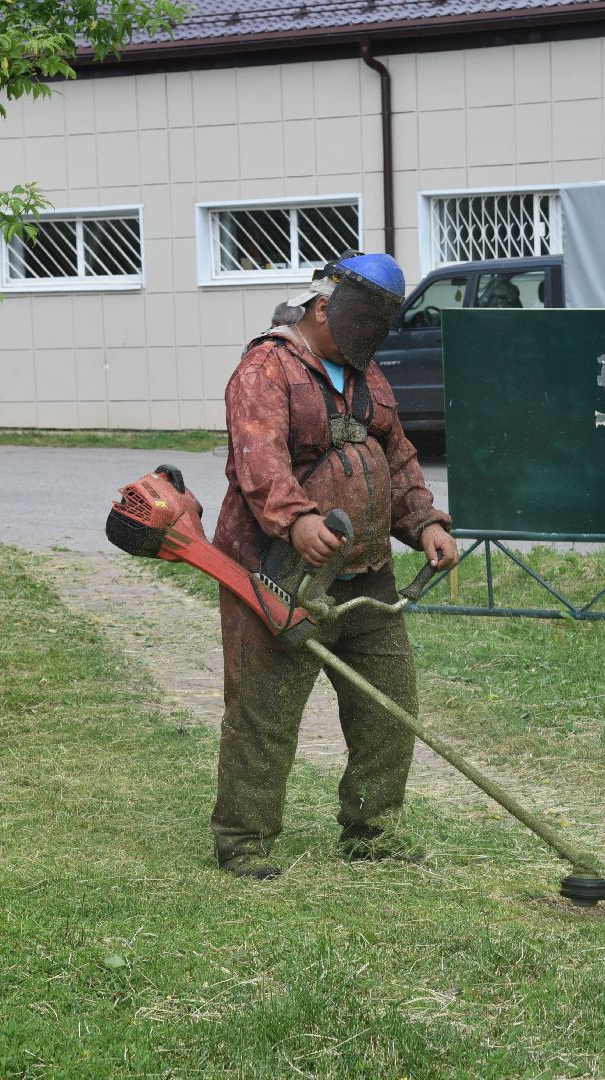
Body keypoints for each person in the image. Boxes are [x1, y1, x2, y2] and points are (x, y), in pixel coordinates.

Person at [210, 251, 459, 880]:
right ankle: (245, 843)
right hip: (279, 576)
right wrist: (296, 520)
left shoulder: (368, 377)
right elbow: (256, 460)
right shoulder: (265, 368)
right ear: (323, 308)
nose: (368, 341)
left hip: (366, 580)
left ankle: (371, 832)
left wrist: (425, 522)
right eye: (362, 324)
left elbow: (398, 459)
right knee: (263, 716)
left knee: (388, 710)